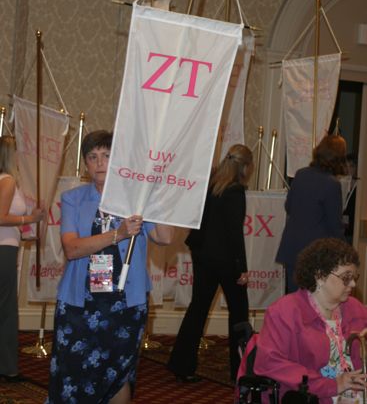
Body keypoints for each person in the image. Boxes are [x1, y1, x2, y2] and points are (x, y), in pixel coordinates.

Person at [46, 130, 173, 404]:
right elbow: (72, 248)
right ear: (85, 164)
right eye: (93, 157)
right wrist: (119, 234)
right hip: (79, 304)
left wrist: (156, 194)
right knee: (72, 370)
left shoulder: (136, 198)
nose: (100, 162)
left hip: (125, 304)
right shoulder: (74, 198)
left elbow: (165, 238)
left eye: (106, 155)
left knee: (118, 373)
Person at [167, 144, 253, 383]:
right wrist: (242, 268)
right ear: (245, 167)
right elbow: (234, 234)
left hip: (202, 254)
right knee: (239, 315)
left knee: (198, 308)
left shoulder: (210, 184)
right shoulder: (235, 191)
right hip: (226, 259)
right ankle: (240, 372)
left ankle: (181, 364)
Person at [254, 238, 367, 404]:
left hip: (355, 392)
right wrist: (333, 384)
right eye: (346, 277)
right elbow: (270, 363)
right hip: (311, 396)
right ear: (320, 276)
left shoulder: (354, 307)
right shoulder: (285, 312)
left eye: (354, 276)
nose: (353, 283)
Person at [0, 135, 45, 381]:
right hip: (3, 249)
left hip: (7, 246)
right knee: (5, 308)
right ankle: (7, 367)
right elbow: (1, 217)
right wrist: (31, 219)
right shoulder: (7, 181)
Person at [277, 134, 347, 292]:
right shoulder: (332, 184)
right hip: (315, 255)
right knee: (313, 305)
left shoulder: (301, 174)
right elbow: (334, 225)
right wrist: (345, 253)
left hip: (292, 247)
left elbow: (289, 206)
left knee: (294, 301)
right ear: (338, 157)